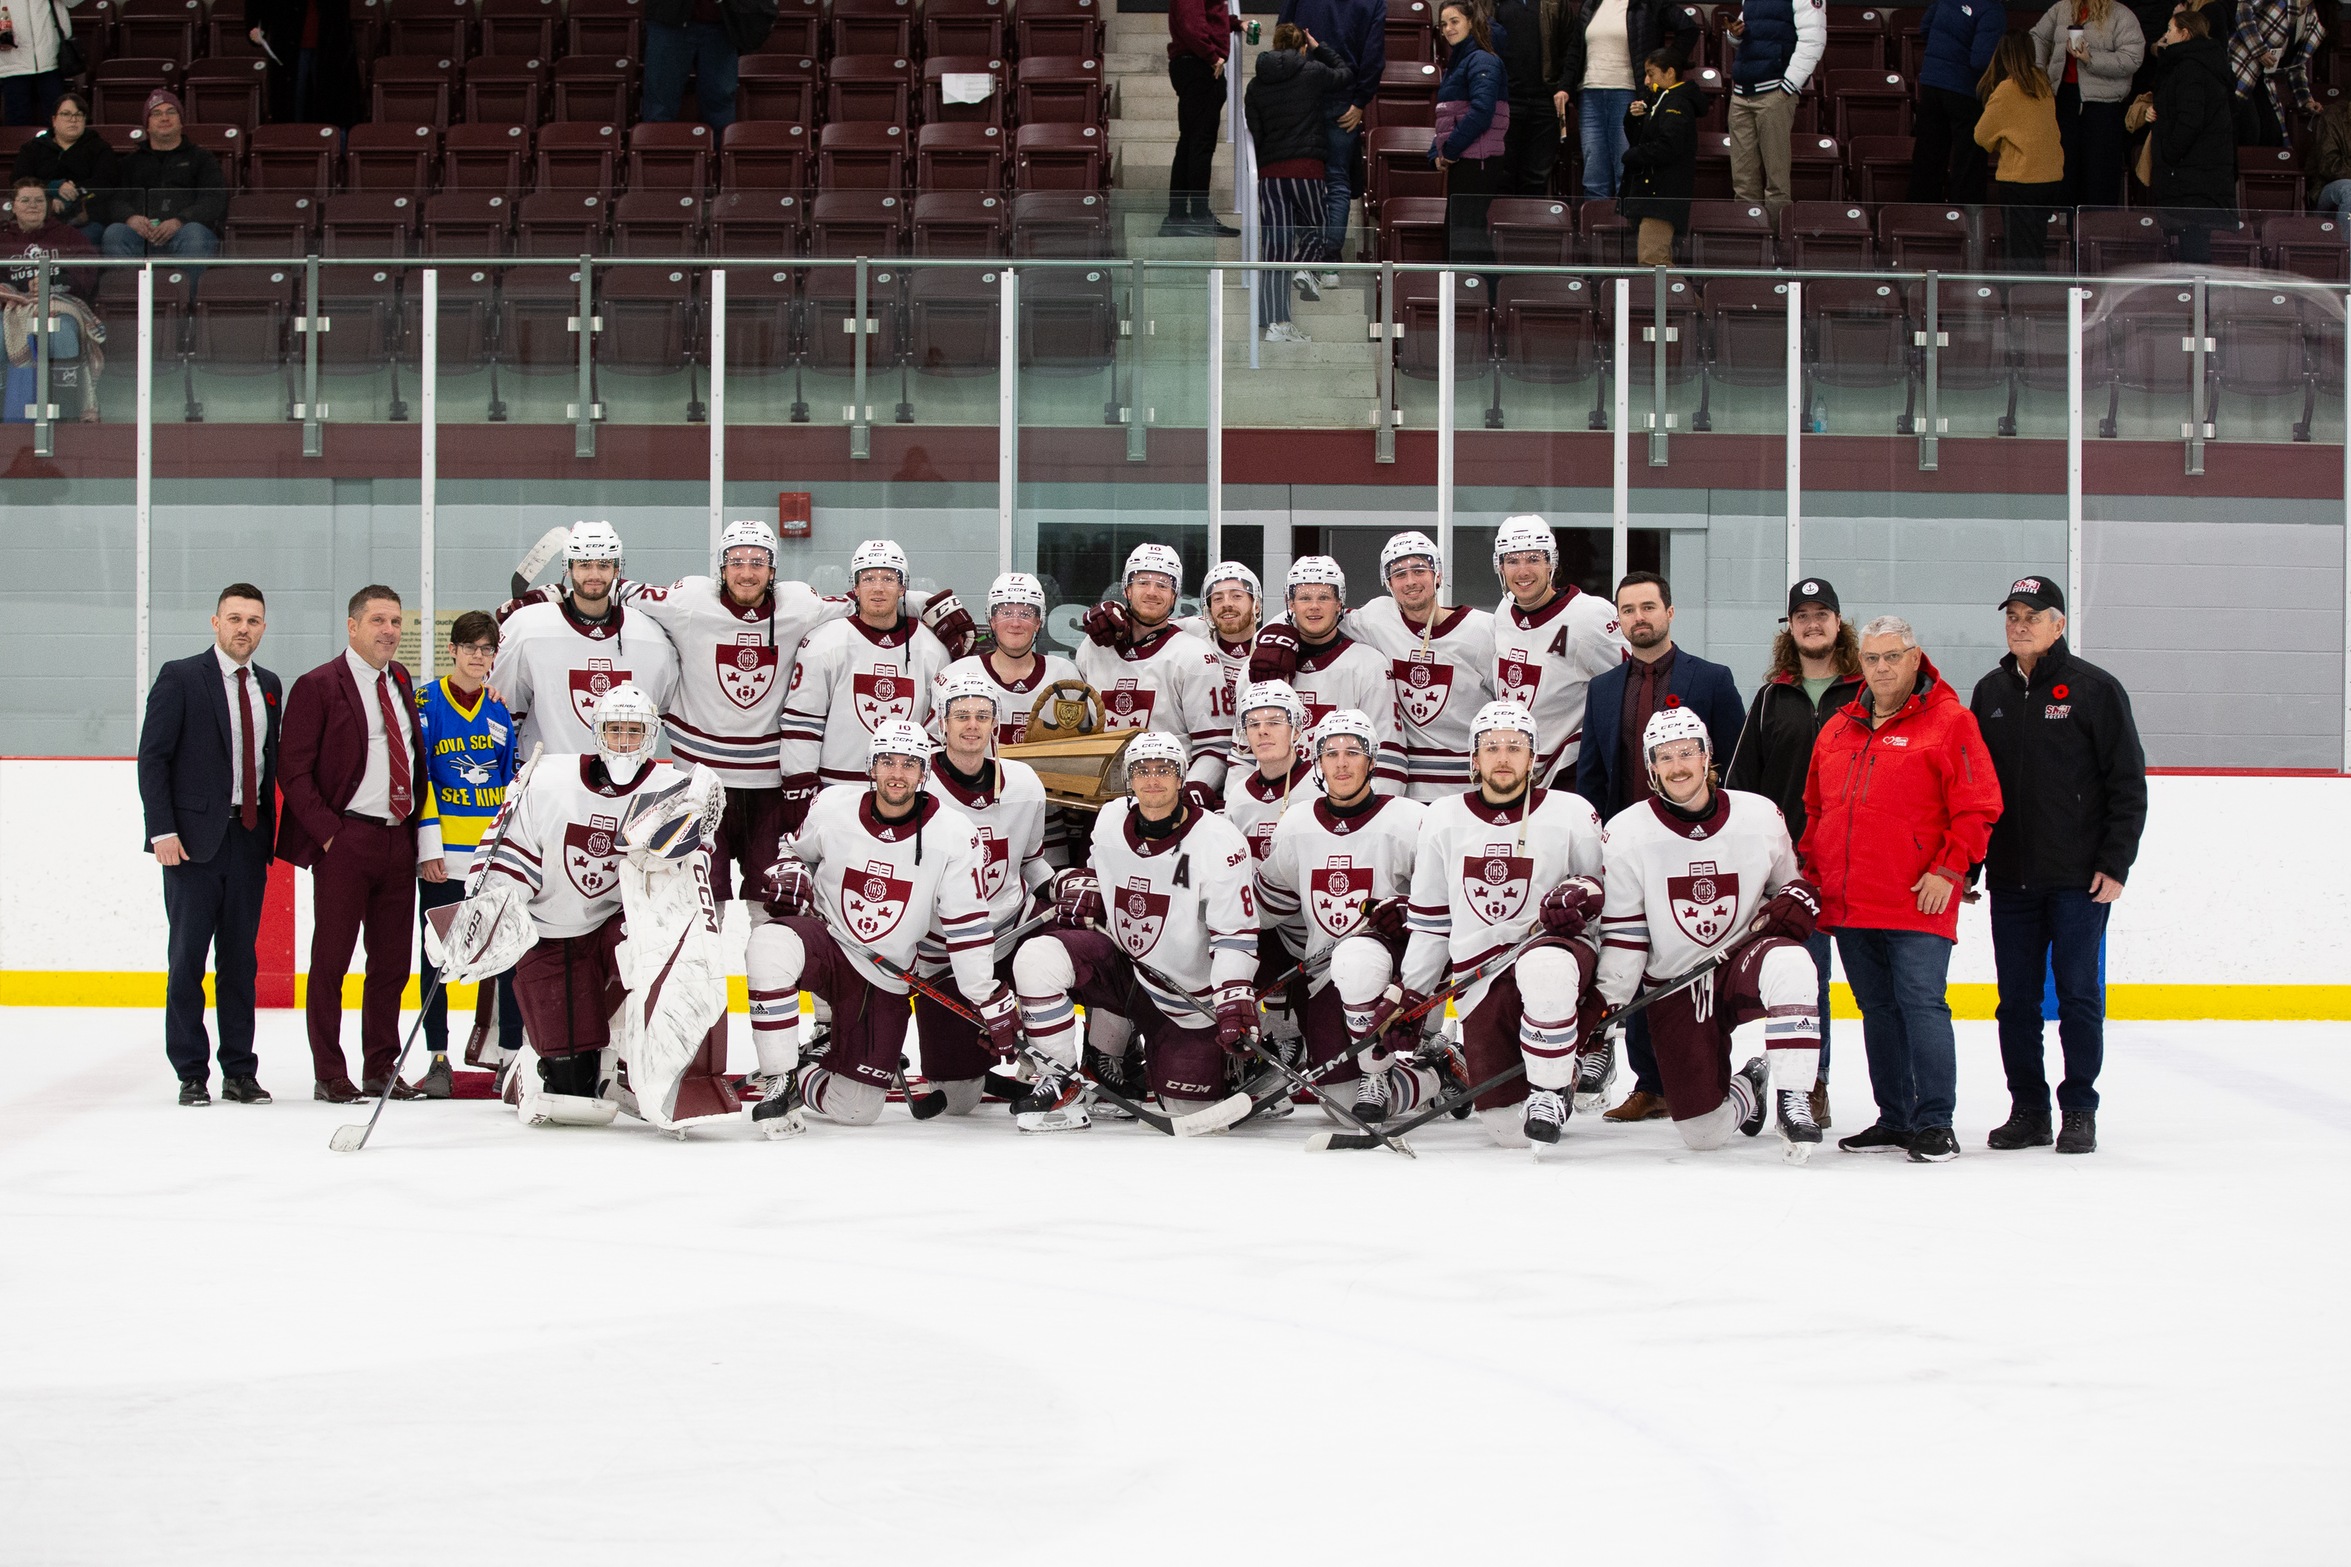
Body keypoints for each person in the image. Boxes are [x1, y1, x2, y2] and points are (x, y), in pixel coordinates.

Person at [444, 683, 740, 1133]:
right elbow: (508, 855)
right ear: (598, 732)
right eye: (615, 730)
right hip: (552, 931)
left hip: (617, 927)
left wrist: (685, 830)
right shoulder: (547, 778)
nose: (624, 741)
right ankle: (535, 1067)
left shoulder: (672, 789)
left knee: (661, 947)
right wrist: (493, 908)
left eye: (634, 731)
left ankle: (644, 1068)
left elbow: (686, 885)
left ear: (652, 734)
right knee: (571, 1092)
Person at [746, 720, 1015, 1137]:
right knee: (769, 943)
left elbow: (966, 924)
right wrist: (790, 871)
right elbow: (792, 849)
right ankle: (777, 1078)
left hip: (884, 972)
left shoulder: (954, 833)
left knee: (855, 1109)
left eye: (909, 764)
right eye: (886, 761)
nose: (896, 773)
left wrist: (986, 995)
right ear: (870, 767)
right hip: (829, 942)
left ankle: (804, 1073)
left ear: (924, 772)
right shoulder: (832, 807)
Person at [1800, 615, 2002, 1165]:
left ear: (1916, 658)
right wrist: (1812, 875)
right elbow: (1817, 811)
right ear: (1858, 663)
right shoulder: (1839, 726)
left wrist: (1950, 871)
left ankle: (1935, 1122)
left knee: (1921, 1005)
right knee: (1877, 1009)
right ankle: (1894, 1117)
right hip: (1850, 899)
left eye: (1894, 656)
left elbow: (1979, 806)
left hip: (1918, 895)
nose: (1883, 667)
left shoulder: (1950, 722)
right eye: (1872, 658)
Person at [1594, 708, 1827, 1160]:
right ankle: (1751, 1085)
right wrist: (1606, 1006)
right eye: (1665, 757)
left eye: (1687, 752)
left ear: (1706, 756)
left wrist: (1798, 900)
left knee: (1793, 960)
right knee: (1704, 1134)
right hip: (1675, 985)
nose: (1678, 765)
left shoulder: (1759, 815)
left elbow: (1788, 887)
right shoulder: (1625, 831)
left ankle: (1795, 1097)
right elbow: (1625, 934)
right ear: (1651, 767)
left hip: (1742, 965)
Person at [1968, 574, 2147, 1157]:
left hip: (2078, 881)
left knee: (2077, 998)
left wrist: (2115, 863)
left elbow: (2127, 784)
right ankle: (2028, 1109)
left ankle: (2078, 1110)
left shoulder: (2095, 689)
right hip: (2012, 879)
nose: (2020, 625)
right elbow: (1974, 789)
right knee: (2015, 1001)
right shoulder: (1989, 692)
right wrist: (1970, 865)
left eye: (2032, 615)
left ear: (2059, 624)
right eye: (2012, 615)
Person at [1010, 731, 1261, 1132]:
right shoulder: (1110, 820)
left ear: (1182, 778)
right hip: (1124, 967)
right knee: (1038, 957)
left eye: (1164, 769)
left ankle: (1238, 1069)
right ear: (1129, 778)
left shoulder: (1218, 840)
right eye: (1142, 770)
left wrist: (1234, 997)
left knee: (1187, 1110)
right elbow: (1098, 877)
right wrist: (1086, 889)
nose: (1153, 779)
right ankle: (1063, 1078)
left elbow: (1235, 934)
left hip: (1182, 993)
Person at [1394, 699, 1608, 1147]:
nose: (1503, 756)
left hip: (1554, 959)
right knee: (1508, 1132)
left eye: (1515, 746)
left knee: (1545, 969)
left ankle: (1553, 1086)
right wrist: (1411, 997)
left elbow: (1604, 900)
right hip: (1480, 977)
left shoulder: (1572, 812)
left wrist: (1582, 897)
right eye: (1491, 747)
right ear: (1474, 758)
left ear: (1533, 757)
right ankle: (1457, 1062)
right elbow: (1432, 922)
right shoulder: (1442, 817)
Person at [1574, 569, 1744, 1120]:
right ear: (1618, 620)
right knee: (1636, 959)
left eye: (1648, 607)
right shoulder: (1602, 689)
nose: (1638, 618)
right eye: (1628, 610)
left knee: (1696, 965)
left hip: (1697, 849)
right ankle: (1650, 1081)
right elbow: (1593, 774)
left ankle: (1709, 1073)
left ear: (1670, 613)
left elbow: (1736, 770)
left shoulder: (1713, 679)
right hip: (1631, 852)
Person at [274, 586, 445, 1105]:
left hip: (398, 840)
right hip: (345, 841)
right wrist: (330, 833)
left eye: (395, 621)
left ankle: (380, 1068)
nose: (389, 630)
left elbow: (412, 758)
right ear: (352, 627)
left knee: (391, 963)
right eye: (377, 620)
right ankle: (330, 1071)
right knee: (332, 962)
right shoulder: (318, 685)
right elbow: (293, 771)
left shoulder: (400, 680)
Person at [1722, 577, 1863, 1129]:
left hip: (1856, 861)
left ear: (1838, 622)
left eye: (1821, 613)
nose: (1811, 623)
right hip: (1793, 868)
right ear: (1790, 627)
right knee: (1807, 976)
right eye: (1800, 615)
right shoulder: (1770, 698)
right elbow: (1742, 789)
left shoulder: (1864, 691)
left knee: (1880, 986)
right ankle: (1812, 1081)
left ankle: (1904, 1098)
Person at [137, 584, 282, 1107]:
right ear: (215, 622)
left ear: (264, 628)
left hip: (247, 838)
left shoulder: (269, 685)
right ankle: (191, 1072)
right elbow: (153, 758)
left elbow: (268, 763)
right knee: (188, 960)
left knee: (240, 962)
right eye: (235, 618)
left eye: (254, 620)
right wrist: (162, 832)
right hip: (192, 844)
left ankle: (240, 1071)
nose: (244, 628)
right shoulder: (180, 677)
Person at [1257, 709, 1438, 1122]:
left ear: (1372, 761)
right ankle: (1434, 1075)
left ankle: (1413, 1068)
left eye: (1353, 752)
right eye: (1331, 752)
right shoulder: (1297, 823)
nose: (1341, 762)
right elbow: (1267, 906)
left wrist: (1409, 916)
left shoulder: (1411, 820)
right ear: (1317, 762)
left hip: (1393, 977)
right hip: (1326, 976)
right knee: (1341, 1105)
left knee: (1360, 964)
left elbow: (1444, 907)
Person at [909, 673, 1055, 1115]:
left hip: (1013, 929)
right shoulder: (914, 780)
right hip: (945, 946)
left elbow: (1031, 861)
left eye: (982, 715)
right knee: (957, 1101)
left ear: (995, 722)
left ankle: (1079, 1061)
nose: (971, 725)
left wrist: (1062, 885)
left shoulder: (1024, 781)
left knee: (1078, 949)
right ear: (942, 723)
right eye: (960, 716)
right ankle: (980, 1063)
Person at [409, 610, 521, 1098]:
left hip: (490, 858)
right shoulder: (425, 702)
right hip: (442, 858)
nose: (479, 657)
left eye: (487, 649)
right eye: (470, 648)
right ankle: (438, 1057)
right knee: (436, 958)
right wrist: (428, 844)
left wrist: (506, 851)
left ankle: (511, 1058)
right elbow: (422, 777)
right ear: (451, 650)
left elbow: (505, 782)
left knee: (507, 956)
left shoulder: (499, 711)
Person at [776, 538, 954, 805]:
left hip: (903, 793)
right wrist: (800, 784)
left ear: (903, 587)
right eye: (868, 578)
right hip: (835, 790)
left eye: (888, 578)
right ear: (855, 587)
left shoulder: (932, 649)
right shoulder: (824, 641)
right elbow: (803, 723)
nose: (878, 587)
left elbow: (937, 728)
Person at [488, 520, 681, 759]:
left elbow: (668, 712)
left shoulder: (651, 636)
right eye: (584, 564)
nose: (594, 574)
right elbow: (501, 711)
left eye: (603, 564)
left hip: (628, 785)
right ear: (568, 568)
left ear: (617, 569)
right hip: (548, 785)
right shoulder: (528, 628)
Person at [1337, 531, 1497, 801]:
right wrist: (1277, 639)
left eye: (1419, 569)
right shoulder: (1378, 618)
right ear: (1388, 583)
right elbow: (1319, 616)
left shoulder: (1483, 630)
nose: (1410, 581)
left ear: (1438, 575)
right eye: (1399, 574)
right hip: (1406, 791)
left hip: (1471, 789)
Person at [1074, 543, 1231, 806]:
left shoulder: (1194, 656)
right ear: (1127, 589)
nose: (1151, 591)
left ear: (1175, 595)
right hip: (1101, 804)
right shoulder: (1093, 649)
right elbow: (1077, 731)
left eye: (1162, 584)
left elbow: (1217, 748)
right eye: (1142, 581)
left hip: (1168, 802)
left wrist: (1187, 796)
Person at [1489, 514, 1628, 789]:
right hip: (1515, 775)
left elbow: (1632, 685)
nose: (1523, 571)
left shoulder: (1590, 617)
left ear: (1551, 562)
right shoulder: (1504, 612)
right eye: (1512, 560)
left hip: (1569, 775)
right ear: (1500, 566)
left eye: (1533, 559)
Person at [1245, 556, 1405, 793]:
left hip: (1343, 805)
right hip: (1275, 802)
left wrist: (1370, 814)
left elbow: (1388, 756)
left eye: (1324, 597)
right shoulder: (1261, 664)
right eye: (1304, 598)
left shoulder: (1369, 665)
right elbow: (1242, 753)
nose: (1314, 606)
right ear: (1290, 603)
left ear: (1340, 603)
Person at [1246, 23, 1352, 343]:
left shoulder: (1255, 85)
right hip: (1307, 169)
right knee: (1317, 229)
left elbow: (1255, 130)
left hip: (1270, 174)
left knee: (1274, 249)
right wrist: (1319, 47)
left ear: (1274, 45)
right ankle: (1305, 269)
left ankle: (1276, 323)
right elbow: (1345, 73)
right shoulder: (1313, 71)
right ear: (1301, 46)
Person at [1552, 0, 1701, 200]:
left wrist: (1666, 61)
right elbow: (1575, 50)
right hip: (1590, 94)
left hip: (1628, 93)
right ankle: (1597, 226)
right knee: (1593, 175)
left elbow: (1688, 27)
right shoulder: (1590, 5)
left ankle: (1627, 227)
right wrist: (1564, 87)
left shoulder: (1648, 4)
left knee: (1626, 169)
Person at [1278, 0, 1384, 269]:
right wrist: (1360, 101)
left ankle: (1310, 251)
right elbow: (1373, 56)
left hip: (1302, 94)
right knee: (1336, 179)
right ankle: (1330, 257)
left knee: (1303, 175)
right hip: (1344, 97)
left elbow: (1283, 33)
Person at [933, 571, 1084, 749]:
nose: (1015, 623)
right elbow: (934, 742)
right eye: (1006, 612)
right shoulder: (956, 675)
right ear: (992, 620)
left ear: (1039, 621)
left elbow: (1081, 743)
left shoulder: (1064, 674)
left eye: (1026, 614)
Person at [2, 174, 101, 422]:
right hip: (13, 307)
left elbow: (88, 273)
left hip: (59, 303)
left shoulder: (68, 235)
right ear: (13, 206)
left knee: (62, 331)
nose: (33, 205)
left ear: (47, 205)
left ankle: (65, 412)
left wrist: (53, 283)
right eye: (25, 200)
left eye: (39, 200)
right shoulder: (2, 237)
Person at [2030, 0, 2145, 210]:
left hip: (2103, 105)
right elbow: (2037, 36)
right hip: (2063, 99)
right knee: (2064, 169)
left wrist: (2090, 59)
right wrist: (2039, 72)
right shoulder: (2062, 9)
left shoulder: (2121, 14)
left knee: (2099, 175)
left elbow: (2132, 58)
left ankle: (2094, 232)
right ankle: (2065, 230)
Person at [2144, 7, 2236, 263]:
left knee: (2193, 244)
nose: (2166, 35)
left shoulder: (2190, 68)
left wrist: (2169, 152)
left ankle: (2195, 300)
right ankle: (2194, 299)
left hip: (2192, 172)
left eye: (2171, 30)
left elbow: (2190, 119)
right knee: (2195, 239)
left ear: (2185, 33)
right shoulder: (2207, 62)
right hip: (2202, 170)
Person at [1723, 0, 1827, 222]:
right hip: (1742, 91)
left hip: (1775, 93)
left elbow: (1813, 41)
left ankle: (1779, 244)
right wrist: (1735, 35)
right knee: (1742, 179)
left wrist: (1789, 87)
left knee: (1776, 180)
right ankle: (1750, 239)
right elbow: (1747, 39)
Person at [1975, 33, 2065, 271]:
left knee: (2021, 254)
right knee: (2035, 246)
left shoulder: (2007, 89)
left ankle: (2025, 300)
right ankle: (2034, 298)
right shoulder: (2042, 82)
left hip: (2021, 180)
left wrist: (1999, 142)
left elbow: (1980, 135)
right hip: (2050, 178)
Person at [1430, 0, 1510, 267]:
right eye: (1443, 24)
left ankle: (1478, 297)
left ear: (1470, 22)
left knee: (1465, 237)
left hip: (1478, 161)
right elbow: (1449, 115)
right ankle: (1475, 299)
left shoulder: (1482, 58)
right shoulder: (1461, 61)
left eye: (1454, 21)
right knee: (1461, 235)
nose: (1448, 29)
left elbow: (1481, 112)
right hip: (1466, 159)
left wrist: (1449, 151)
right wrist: (1437, 151)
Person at [101, 92, 225, 262]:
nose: (164, 118)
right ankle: (129, 289)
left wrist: (180, 221)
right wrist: (131, 218)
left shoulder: (202, 158)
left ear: (181, 122)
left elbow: (213, 199)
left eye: (171, 112)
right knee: (114, 233)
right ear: (147, 125)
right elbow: (115, 200)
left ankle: (188, 289)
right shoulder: (129, 163)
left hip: (185, 233)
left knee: (195, 234)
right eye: (156, 114)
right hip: (140, 236)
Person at [1908, 0, 2007, 202]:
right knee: (1968, 162)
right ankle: (1966, 222)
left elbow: (1925, 28)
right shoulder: (1992, 9)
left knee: (1928, 156)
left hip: (1932, 84)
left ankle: (1919, 219)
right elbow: (1981, 59)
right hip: (1965, 91)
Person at [1617, 49, 1705, 267]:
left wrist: (1633, 156)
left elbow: (1668, 146)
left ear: (1670, 73)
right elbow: (1642, 139)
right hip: (1651, 195)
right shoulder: (1660, 100)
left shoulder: (1676, 103)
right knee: (1653, 262)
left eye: (1651, 74)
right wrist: (1634, 119)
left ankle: (1692, 302)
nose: (1647, 81)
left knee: (1653, 262)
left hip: (1662, 195)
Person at [1165, 0, 1242, 237]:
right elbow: (1191, 23)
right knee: (1199, 143)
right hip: (1198, 65)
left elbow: (1207, 18)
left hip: (1194, 64)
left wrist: (1236, 24)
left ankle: (1179, 215)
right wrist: (1211, 56)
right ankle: (1197, 216)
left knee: (1191, 142)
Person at [643, 0, 778, 131]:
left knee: (720, 99)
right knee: (659, 102)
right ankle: (655, 152)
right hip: (668, 19)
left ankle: (720, 151)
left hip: (722, 23)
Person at [10, 93, 116, 244]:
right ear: (54, 120)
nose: (73, 120)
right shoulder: (32, 148)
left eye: (79, 114)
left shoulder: (100, 148)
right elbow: (19, 180)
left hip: (84, 221)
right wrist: (51, 192)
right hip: (37, 219)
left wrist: (75, 193)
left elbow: (107, 182)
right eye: (66, 114)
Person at [247, 0, 366, 128]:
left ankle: (332, 144)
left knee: (332, 110)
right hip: (288, 47)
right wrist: (255, 25)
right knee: (293, 110)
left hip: (332, 45)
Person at [1487, 0, 1563, 196]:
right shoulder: (1488, 3)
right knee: (1502, 174)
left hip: (1545, 99)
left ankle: (1530, 225)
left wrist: (1562, 86)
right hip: (1504, 98)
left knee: (1536, 178)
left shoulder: (1554, 3)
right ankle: (1501, 226)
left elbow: (1570, 44)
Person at [2225, 0, 2320, 148]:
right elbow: (2242, 7)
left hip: (2264, 79)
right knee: (2250, 129)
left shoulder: (2311, 18)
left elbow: (2296, 65)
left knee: (2273, 134)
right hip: (2240, 70)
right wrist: (2259, 49)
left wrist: (2306, 100)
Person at [1174, 560, 1262, 715]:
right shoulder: (1194, 632)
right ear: (1208, 608)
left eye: (1236, 596)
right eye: (1218, 598)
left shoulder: (1271, 647)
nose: (1227, 604)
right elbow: (1151, 626)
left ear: (1256, 604)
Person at [0, 0, 70, 127]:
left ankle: (56, 147)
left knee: (56, 115)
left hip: (50, 58)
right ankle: (20, 147)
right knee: (17, 118)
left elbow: (73, 2)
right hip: (12, 62)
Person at [2307, 95, 2351, 221]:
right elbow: (2328, 165)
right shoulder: (2333, 115)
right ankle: (2347, 241)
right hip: (2329, 185)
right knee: (2349, 191)